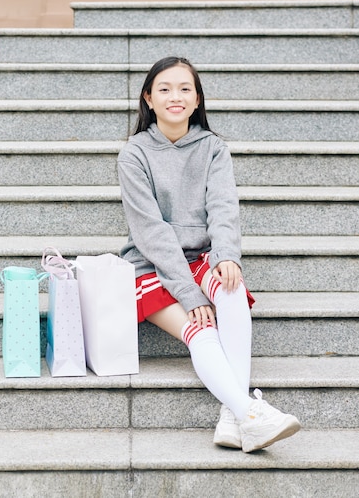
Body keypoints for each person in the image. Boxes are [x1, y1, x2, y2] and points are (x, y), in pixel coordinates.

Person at [117, 56, 301, 453]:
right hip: (151, 264)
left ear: (197, 98)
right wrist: (189, 292)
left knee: (232, 288)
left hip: (202, 257)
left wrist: (227, 256)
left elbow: (223, 208)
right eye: (164, 89)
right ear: (148, 98)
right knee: (200, 326)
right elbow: (150, 231)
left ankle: (233, 418)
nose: (175, 97)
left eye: (185, 88)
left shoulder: (213, 148)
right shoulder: (134, 154)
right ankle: (249, 413)